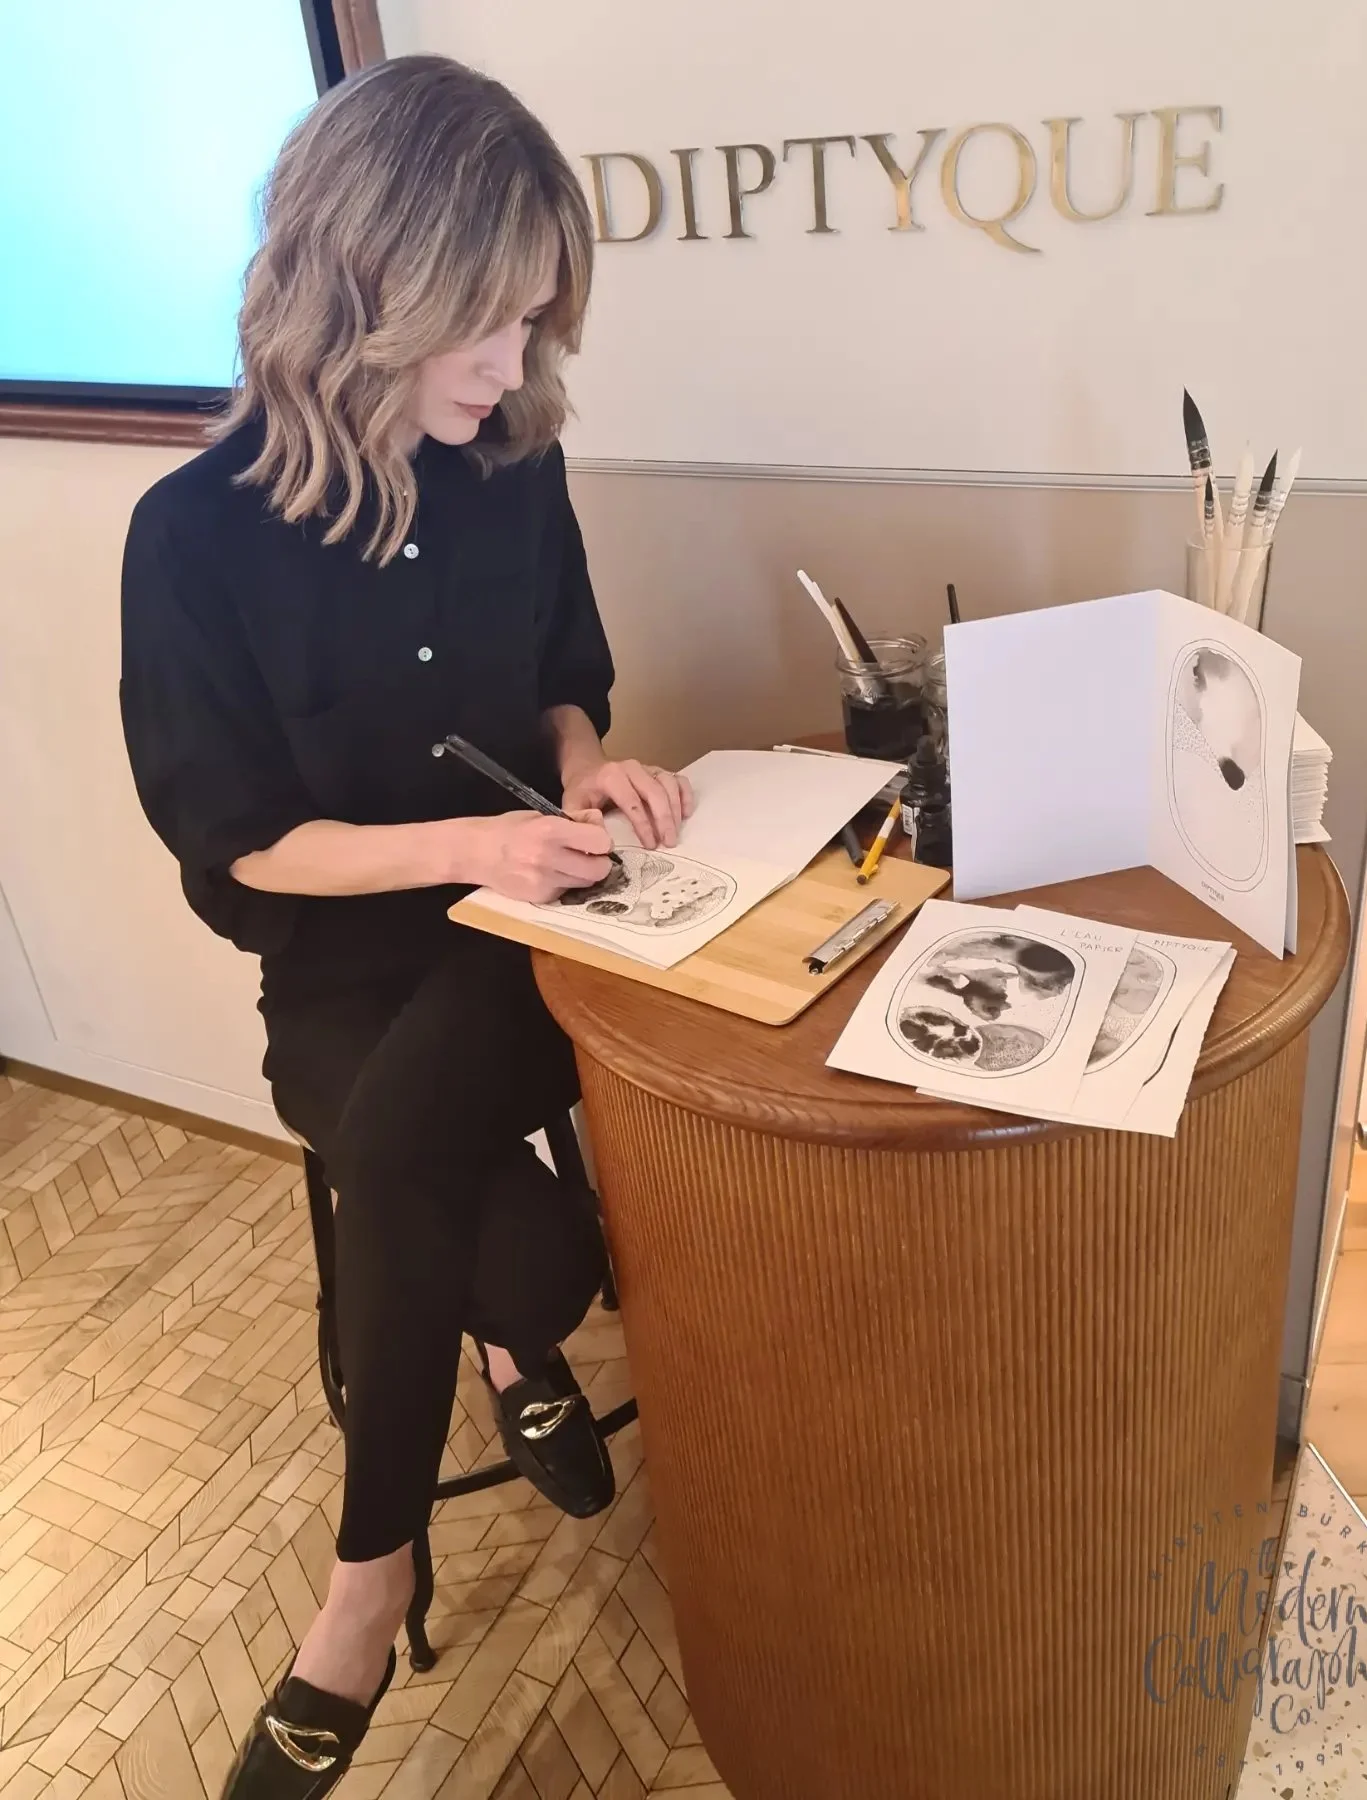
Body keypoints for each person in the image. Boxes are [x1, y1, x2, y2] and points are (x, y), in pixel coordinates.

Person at [120, 55, 693, 1798]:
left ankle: (362, 1583)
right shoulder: (195, 537)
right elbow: (235, 847)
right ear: (369, 284)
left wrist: (595, 779)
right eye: (488, 326)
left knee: (451, 1187)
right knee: (500, 1236)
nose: (516, 368)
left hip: (530, 944)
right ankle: (467, 1415)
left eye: (533, 325)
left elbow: (572, 683)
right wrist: (470, 844)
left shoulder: (516, 464)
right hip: (349, 966)